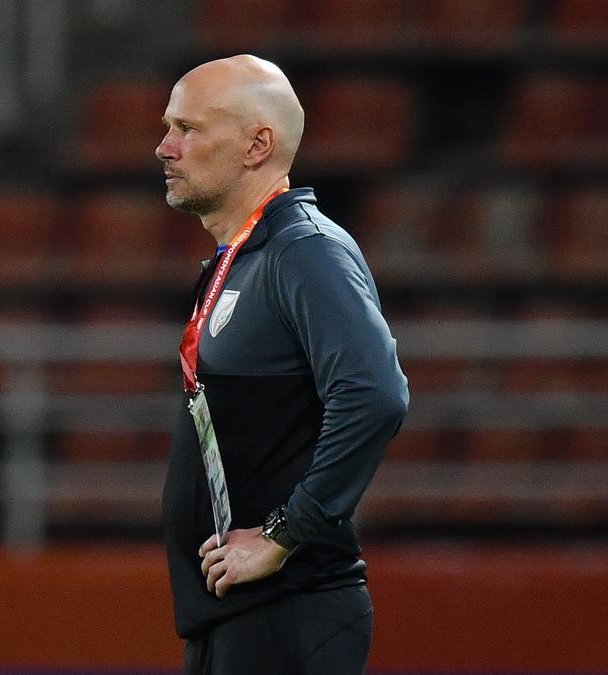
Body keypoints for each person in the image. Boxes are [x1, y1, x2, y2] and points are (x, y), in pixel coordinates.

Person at [156, 54, 409, 674]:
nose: (165, 147)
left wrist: (284, 534)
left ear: (257, 145)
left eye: (188, 129)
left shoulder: (306, 251)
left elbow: (374, 393)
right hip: (236, 614)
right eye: (168, 127)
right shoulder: (247, 257)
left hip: (288, 611)